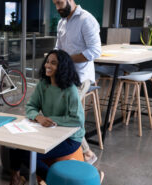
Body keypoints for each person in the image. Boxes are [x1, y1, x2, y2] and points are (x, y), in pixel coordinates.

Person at [0, 50, 85, 185]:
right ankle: (16, 180)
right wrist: (39, 118)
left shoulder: (70, 89)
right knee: (14, 146)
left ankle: (53, 183)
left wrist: (51, 120)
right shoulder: (43, 85)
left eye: (53, 63)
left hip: (70, 138)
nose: (48, 65)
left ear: (62, 67)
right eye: (47, 61)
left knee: (29, 154)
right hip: (48, 131)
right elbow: (30, 107)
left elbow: (76, 120)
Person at [53, 0, 102, 164]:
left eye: (59, 3)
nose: (58, 8)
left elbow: (95, 51)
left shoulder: (86, 20)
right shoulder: (61, 23)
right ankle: (61, 145)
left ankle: (87, 153)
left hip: (82, 77)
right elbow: (58, 49)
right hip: (65, 76)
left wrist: (66, 59)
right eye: (55, 4)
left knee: (67, 110)